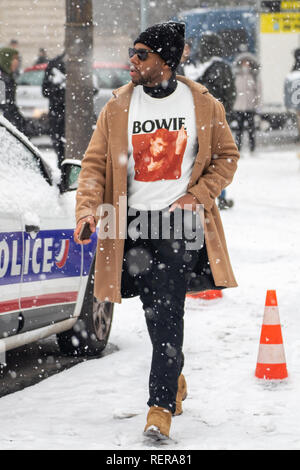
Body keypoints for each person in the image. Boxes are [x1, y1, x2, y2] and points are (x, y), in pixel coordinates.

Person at [74, 21, 239, 441]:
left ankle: (159, 407)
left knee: (167, 311)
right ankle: (174, 373)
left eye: (141, 53)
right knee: (153, 310)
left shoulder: (201, 104)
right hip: (130, 225)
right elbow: (94, 165)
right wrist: (88, 211)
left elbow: (226, 156)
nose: (132, 60)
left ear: (165, 60)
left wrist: (198, 194)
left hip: (178, 225)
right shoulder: (116, 107)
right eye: (133, 51)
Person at [192, 32, 236, 210]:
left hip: (201, 118)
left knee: (204, 157)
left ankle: (207, 193)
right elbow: (230, 94)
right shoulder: (222, 67)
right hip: (217, 119)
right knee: (218, 158)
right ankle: (219, 194)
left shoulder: (201, 68)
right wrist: (225, 113)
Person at [0, 47, 39, 137]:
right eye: (14, 58)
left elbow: (9, 106)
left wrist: (23, 124)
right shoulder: (2, 80)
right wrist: (22, 126)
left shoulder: (7, 78)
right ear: (6, 59)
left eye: (18, 59)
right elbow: (5, 107)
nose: (17, 62)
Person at [233, 52, 261, 153]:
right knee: (239, 129)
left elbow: (258, 92)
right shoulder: (237, 76)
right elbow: (234, 91)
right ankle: (238, 147)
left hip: (250, 106)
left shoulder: (254, 76)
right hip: (239, 107)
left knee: (251, 129)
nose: (246, 64)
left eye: (247, 62)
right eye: (244, 62)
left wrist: (257, 105)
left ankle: (252, 148)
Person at [42, 52, 66, 169]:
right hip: (59, 115)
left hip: (59, 116)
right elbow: (45, 90)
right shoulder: (55, 65)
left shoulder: (83, 62)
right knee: (61, 151)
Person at [284, 48, 300, 140]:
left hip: (297, 100)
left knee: (299, 118)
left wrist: (288, 103)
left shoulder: (294, 70)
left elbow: (289, 88)